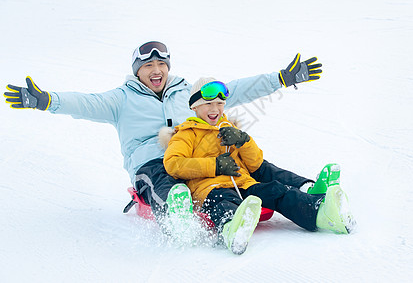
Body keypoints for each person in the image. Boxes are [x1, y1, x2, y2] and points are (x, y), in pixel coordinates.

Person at [3, 41, 323, 226]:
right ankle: (176, 213)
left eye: (161, 64)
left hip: (195, 160)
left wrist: (281, 78)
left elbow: (236, 89)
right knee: (161, 178)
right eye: (148, 66)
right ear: (137, 71)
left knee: (245, 159)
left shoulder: (189, 92)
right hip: (152, 163)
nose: (156, 70)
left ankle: (305, 188)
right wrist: (46, 100)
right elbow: (85, 103)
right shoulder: (121, 99)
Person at [163, 78, 355, 255]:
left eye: (220, 103)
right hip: (210, 189)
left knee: (277, 191)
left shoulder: (228, 127)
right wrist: (215, 165)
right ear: (195, 107)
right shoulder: (186, 134)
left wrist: (243, 140)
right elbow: (173, 164)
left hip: (244, 184)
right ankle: (232, 230)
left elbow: (255, 163)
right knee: (224, 203)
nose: (215, 109)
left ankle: (320, 214)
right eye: (208, 104)